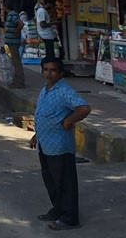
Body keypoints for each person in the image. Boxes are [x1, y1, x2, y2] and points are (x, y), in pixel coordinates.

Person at [29, 57, 91, 230]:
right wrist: (36, 135)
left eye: (53, 70)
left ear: (61, 73)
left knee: (65, 183)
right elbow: (44, 115)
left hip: (59, 146)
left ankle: (69, 218)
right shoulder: (46, 89)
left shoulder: (64, 91)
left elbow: (84, 108)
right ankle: (58, 210)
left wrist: (68, 121)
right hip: (45, 144)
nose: (49, 73)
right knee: (51, 180)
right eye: (46, 69)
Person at [2, 0, 25, 88]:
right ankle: (17, 80)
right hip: (11, 41)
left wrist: (17, 31)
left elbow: (21, 24)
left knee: (16, 61)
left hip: (13, 41)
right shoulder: (11, 15)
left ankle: (20, 82)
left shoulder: (13, 15)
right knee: (15, 61)